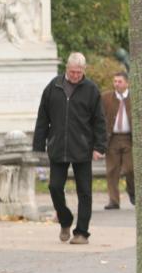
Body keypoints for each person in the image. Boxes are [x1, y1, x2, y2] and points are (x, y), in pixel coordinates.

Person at [33, 52, 106, 244]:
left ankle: (81, 232)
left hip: (82, 147)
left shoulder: (91, 90)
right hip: (58, 146)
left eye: (79, 72)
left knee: (85, 191)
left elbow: (99, 120)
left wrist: (100, 146)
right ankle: (65, 220)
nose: (75, 76)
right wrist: (38, 146)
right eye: (73, 72)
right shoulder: (53, 87)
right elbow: (43, 118)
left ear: (84, 70)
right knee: (54, 187)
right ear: (66, 69)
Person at [101, 71, 134, 209]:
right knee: (112, 170)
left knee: (131, 169)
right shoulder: (106, 97)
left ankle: (133, 192)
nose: (117, 84)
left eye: (120, 81)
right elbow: (100, 117)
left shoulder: (135, 98)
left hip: (129, 139)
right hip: (112, 138)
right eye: (115, 81)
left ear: (127, 83)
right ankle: (114, 201)